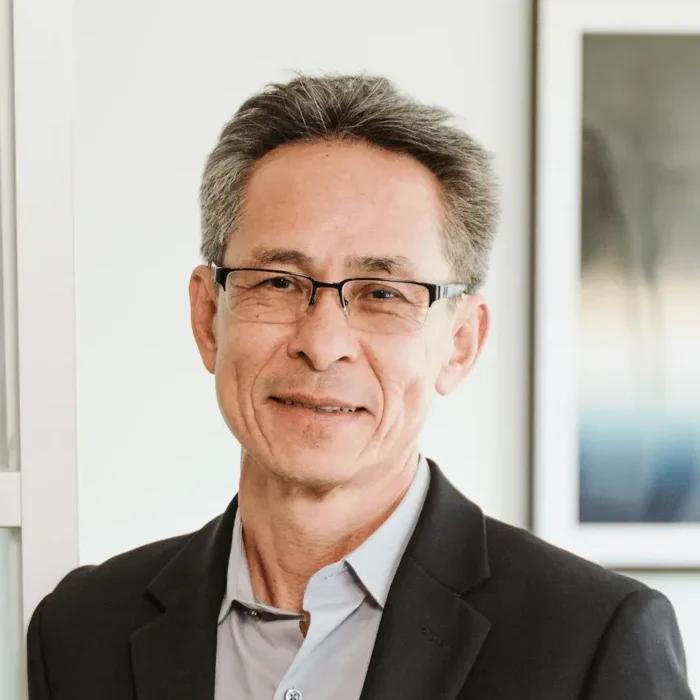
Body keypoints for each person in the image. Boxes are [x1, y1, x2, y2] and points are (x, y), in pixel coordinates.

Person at [26, 74, 693, 700]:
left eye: (382, 293)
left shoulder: (591, 643)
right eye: (279, 282)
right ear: (208, 317)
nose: (321, 342)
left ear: (460, 343)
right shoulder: (82, 632)